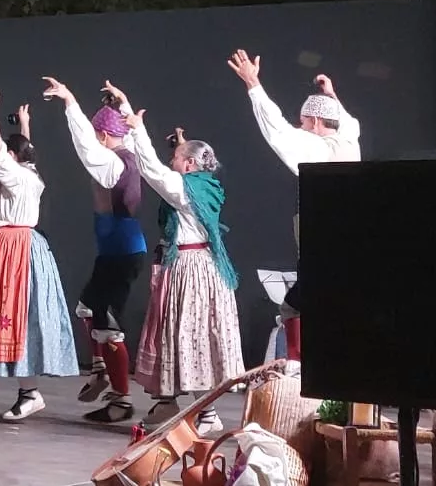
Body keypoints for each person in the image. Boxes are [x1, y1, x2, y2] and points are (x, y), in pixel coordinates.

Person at [228, 50, 360, 361]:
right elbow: (348, 121)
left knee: (296, 306)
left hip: (324, 242)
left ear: (314, 121)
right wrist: (332, 95)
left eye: (302, 122)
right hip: (350, 240)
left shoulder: (314, 148)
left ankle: (298, 367)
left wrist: (253, 83)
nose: (298, 127)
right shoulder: (349, 141)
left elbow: (276, 128)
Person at [0, 87, 78, 422]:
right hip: (10, 247)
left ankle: (28, 392)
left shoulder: (16, 174)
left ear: (13, 156)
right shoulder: (29, 172)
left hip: (15, 249)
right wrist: (25, 125)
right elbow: (20, 153)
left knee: (16, 316)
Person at [124, 102, 245, 429]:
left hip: (192, 268)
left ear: (190, 164)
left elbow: (151, 170)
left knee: (191, 336)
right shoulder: (205, 185)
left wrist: (136, 128)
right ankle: (167, 402)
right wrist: (181, 141)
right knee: (172, 331)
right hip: (200, 265)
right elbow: (171, 168)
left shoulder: (185, 188)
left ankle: (207, 413)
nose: (172, 161)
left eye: (177, 158)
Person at [42, 76, 148, 423]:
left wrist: (70, 100)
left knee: (108, 322)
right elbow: (130, 131)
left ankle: (121, 398)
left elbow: (85, 146)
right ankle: (100, 368)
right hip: (114, 251)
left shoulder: (113, 162)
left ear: (104, 136)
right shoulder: (129, 150)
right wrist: (121, 102)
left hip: (122, 251)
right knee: (87, 309)